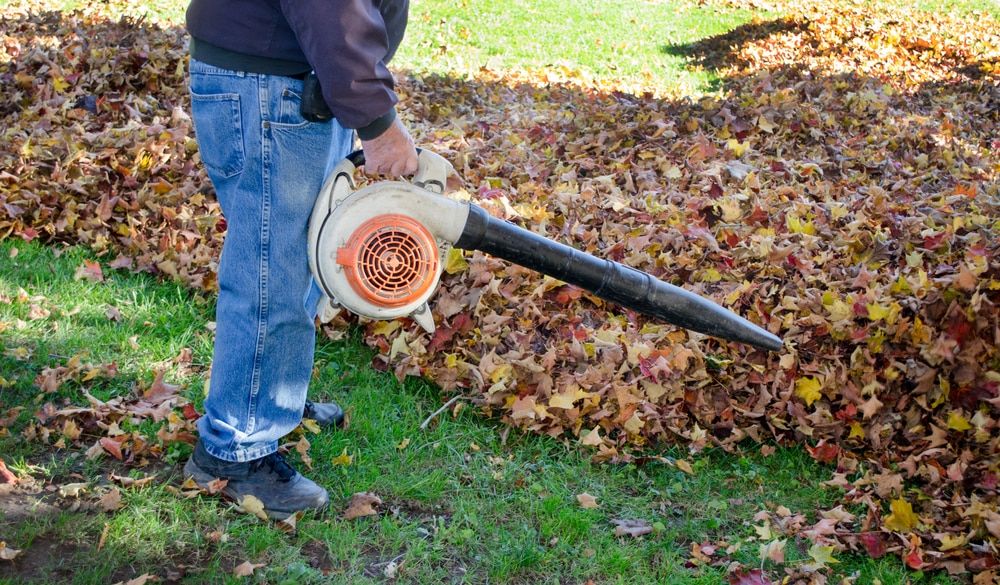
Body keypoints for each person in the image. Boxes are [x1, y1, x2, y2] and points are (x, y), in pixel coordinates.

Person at [181, 0, 418, 520]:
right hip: (272, 85)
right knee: (274, 272)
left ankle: (269, 395)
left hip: (293, 77)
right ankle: (236, 447)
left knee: (298, 257)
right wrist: (377, 121)